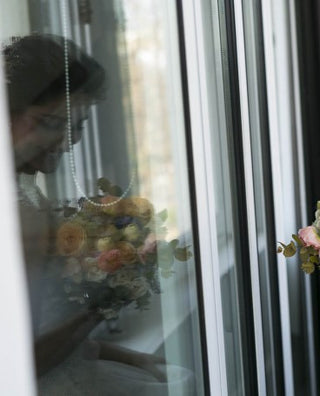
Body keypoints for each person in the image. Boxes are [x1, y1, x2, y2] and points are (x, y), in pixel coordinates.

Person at [4, 34, 192, 394]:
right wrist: (101, 302)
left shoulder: (26, 189)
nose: (67, 141)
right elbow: (20, 360)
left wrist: (130, 357)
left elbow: (43, 325)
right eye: (51, 123)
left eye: (78, 125)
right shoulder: (16, 216)